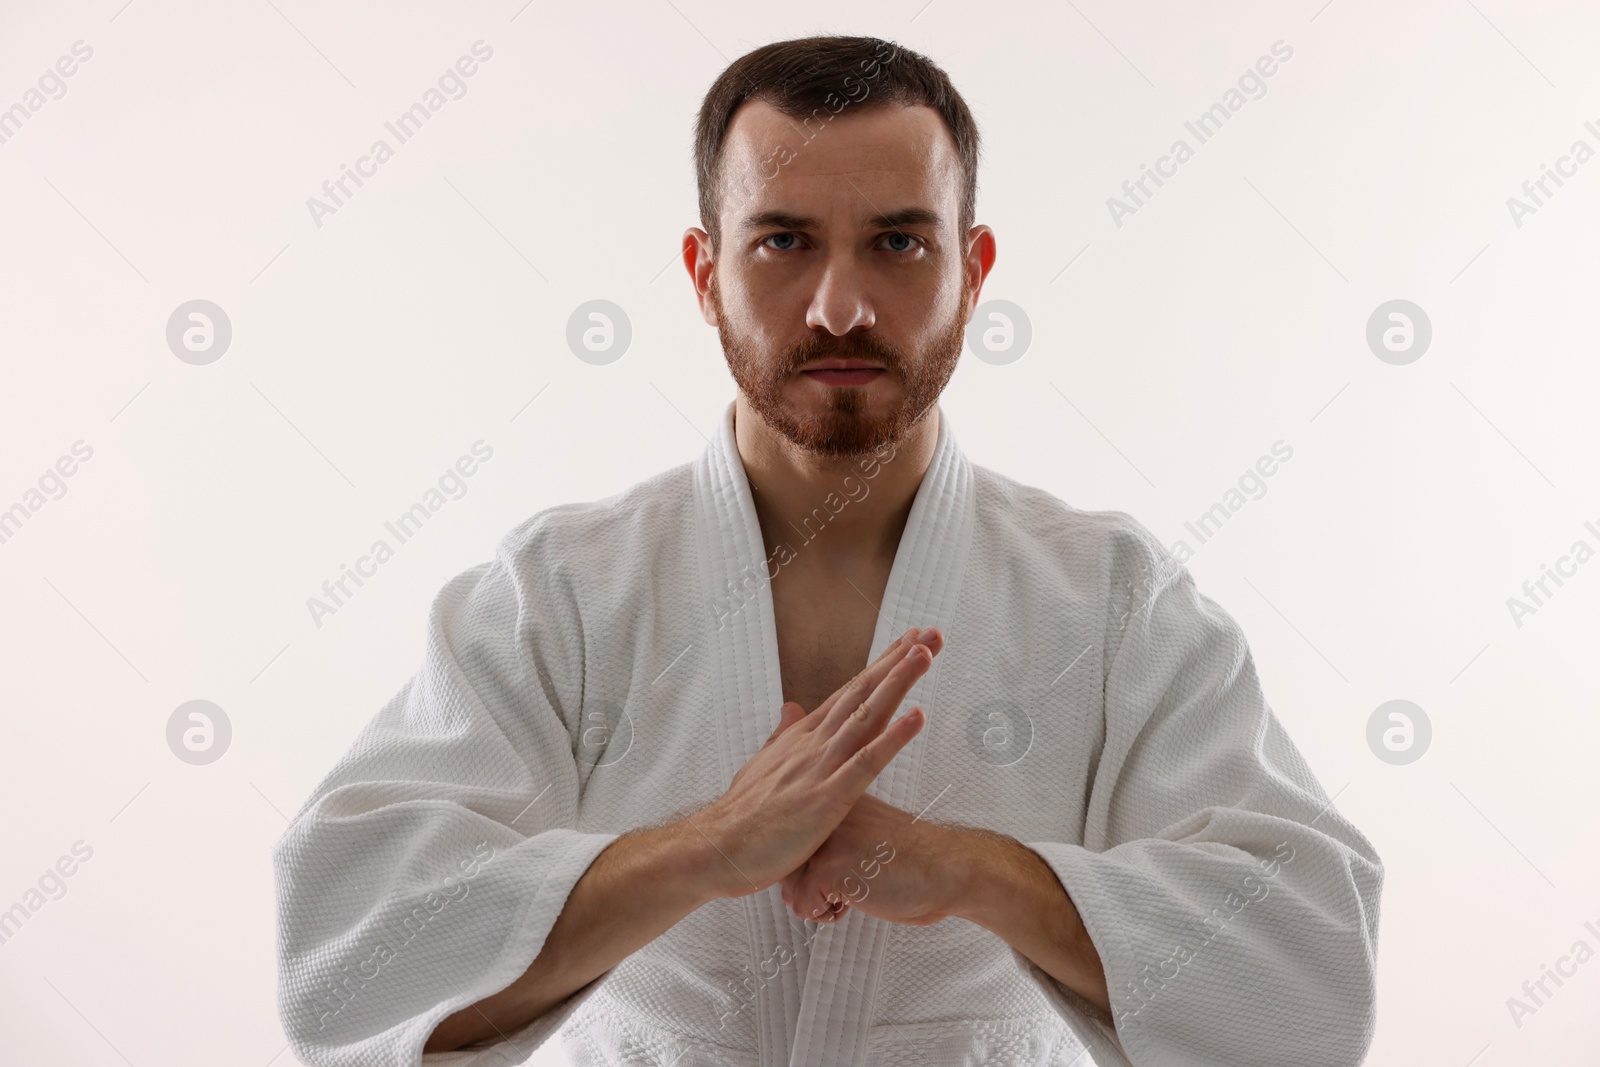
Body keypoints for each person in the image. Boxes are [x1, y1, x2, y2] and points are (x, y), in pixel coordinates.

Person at [273, 35, 1382, 1067]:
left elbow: (1309, 974)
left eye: (897, 242)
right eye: (784, 242)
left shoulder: (1109, 603)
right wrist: (705, 849)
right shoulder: (561, 594)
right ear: (705, 274)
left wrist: (966, 869)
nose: (841, 307)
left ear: (973, 269)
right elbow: (340, 953)